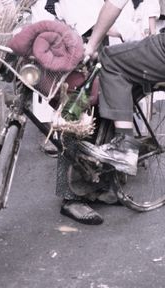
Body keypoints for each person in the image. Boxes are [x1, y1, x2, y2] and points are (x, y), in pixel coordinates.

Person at [59, 0, 165, 224]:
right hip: (79, 33)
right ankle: (71, 194)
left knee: (102, 98)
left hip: (107, 34)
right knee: (76, 108)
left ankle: (105, 180)